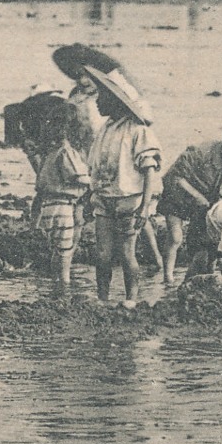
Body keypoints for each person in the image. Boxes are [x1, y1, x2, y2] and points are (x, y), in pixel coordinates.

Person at [84, 66, 163, 307]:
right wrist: (90, 195)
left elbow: (149, 170)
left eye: (101, 98)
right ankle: (103, 297)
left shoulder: (138, 130)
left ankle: (131, 298)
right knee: (103, 254)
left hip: (129, 199)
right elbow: (96, 169)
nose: (97, 102)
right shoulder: (105, 129)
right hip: (104, 197)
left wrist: (144, 208)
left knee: (128, 252)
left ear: (115, 101)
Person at [158, 126, 222, 284]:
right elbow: (173, 177)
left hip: (207, 202)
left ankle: (208, 270)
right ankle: (168, 277)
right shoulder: (201, 153)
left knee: (206, 241)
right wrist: (197, 196)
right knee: (175, 238)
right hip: (178, 196)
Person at [32, 96, 92, 294]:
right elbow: (78, 177)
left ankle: (56, 283)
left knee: (57, 251)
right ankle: (63, 287)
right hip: (63, 207)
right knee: (66, 253)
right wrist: (97, 182)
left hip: (48, 208)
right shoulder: (67, 152)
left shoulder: (51, 151)